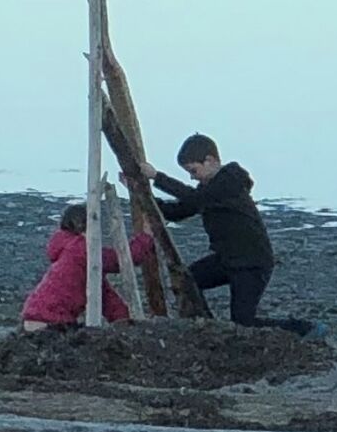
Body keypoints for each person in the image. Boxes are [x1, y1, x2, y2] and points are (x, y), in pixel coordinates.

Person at [154, 136, 274, 324]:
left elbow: (195, 198)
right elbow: (179, 211)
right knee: (189, 281)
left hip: (252, 263)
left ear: (210, 161)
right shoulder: (206, 191)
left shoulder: (229, 182)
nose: (192, 177)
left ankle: (304, 330)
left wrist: (157, 177)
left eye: (193, 170)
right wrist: (143, 195)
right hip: (226, 259)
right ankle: (206, 323)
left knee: (243, 321)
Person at [20, 201, 144, 329]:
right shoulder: (81, 249)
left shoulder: (71, 254)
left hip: (34, 317)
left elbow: (105, 296)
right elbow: (121, 260)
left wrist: (123, 320)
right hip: (52, 320)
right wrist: (146, 238)